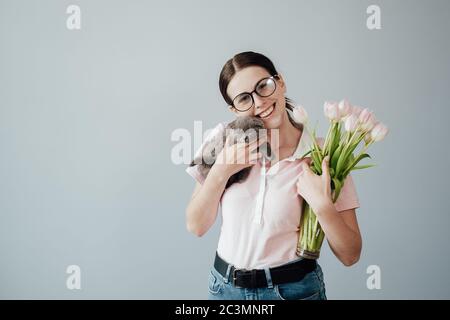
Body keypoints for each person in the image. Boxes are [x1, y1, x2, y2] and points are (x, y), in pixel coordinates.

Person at [185, 51, 362, 300]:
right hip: (225, 290)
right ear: (235, 109)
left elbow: (350, 255)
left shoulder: (324, 156)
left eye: (263, 86)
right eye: (244, 99)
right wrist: (221, 170)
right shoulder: (223, 141)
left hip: (293, 291)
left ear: (280, 82)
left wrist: (323, 206)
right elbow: (196, 226)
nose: (259, 103)